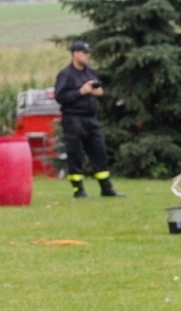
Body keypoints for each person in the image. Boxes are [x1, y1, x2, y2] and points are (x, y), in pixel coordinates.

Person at [54, 41, 124, 198]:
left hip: (90, 119)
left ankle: (106, 188)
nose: (88, 55)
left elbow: (98, 90)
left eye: (88, 52)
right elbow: (60, 97)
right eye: (85, 53)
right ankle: (78, 190)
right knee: (76, 154)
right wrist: (81, 91)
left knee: (100, 152)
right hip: (73, 119)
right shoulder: (66, 74)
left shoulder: (90, 73)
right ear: (75, 53)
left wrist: (97, 92)